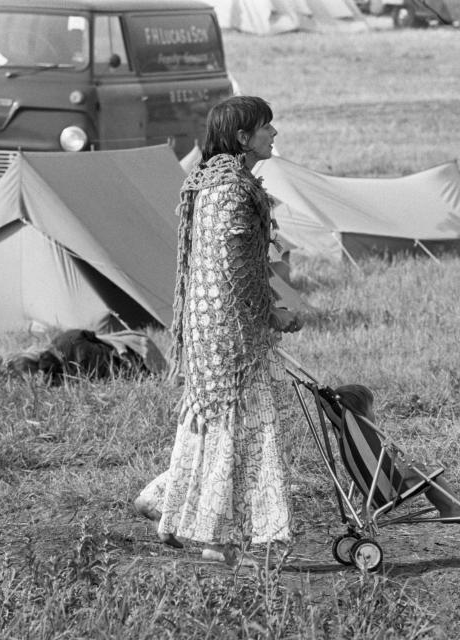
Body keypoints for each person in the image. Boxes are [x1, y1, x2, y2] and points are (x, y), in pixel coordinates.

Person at [148, 95, 304, 567]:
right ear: (242, 138)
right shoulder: (231, 191)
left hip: (211, 325)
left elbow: (232, 265)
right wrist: (270, 314)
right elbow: (230, 269)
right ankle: (216, 539)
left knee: (213, 422)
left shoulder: (216, 183)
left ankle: (167, 509)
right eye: (266, 127)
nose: (274, 134)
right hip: (229, 332)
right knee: (243, 428)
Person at [334, 384, 460, 519]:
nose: (373, 412)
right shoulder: (365, 435)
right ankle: (453, 509)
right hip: (391, 486)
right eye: (371, 408)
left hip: (377, 485)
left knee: (415, 471)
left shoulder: (350, 436)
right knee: (430, 474)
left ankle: (365, 515)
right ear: (362, 412)